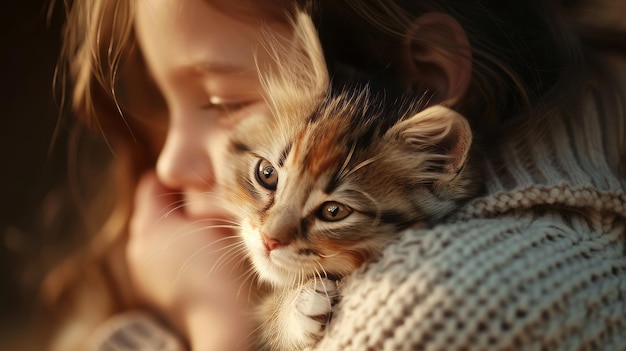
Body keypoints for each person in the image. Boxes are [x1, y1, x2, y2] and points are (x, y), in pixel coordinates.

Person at [40, 0, 626, 350]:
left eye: (223, 102)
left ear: (421, 78)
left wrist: (213, 319)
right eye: (163, 102)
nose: (168, 163)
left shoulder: (438, 310)